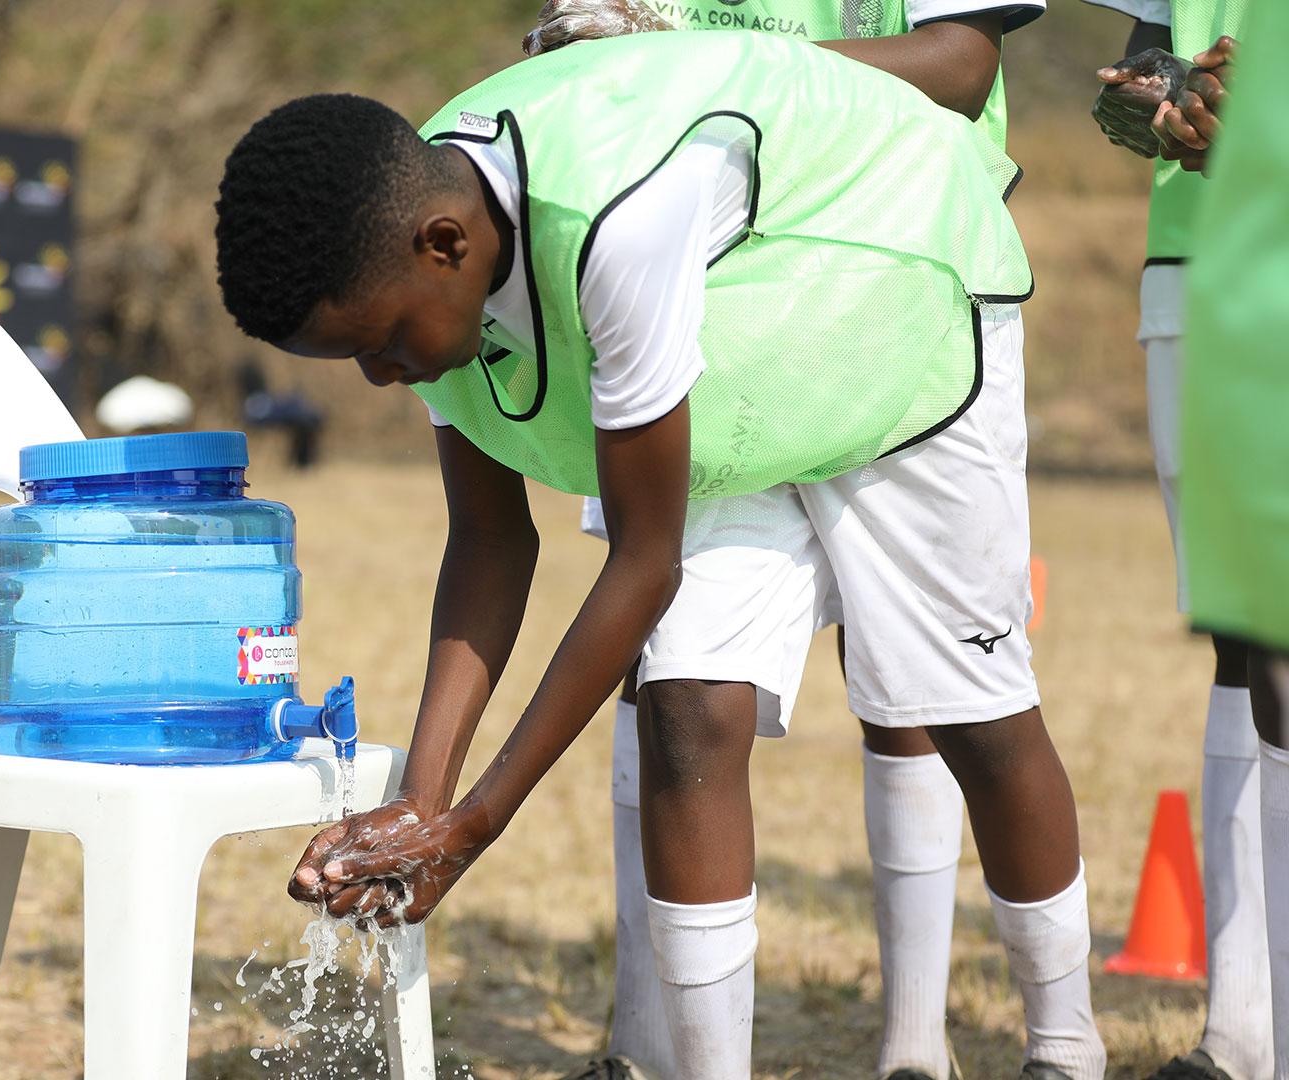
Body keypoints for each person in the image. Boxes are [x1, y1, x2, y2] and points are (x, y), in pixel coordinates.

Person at [216, 30, 1102, 1078]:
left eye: (380, 342)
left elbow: (646, 560)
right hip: (735, 338)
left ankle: (1065, 1046)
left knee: (967, 711)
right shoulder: (416, 235)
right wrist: (426, 795)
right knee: (688, 705)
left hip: (892, 284)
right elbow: (492, 540)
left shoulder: (612, 228)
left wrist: (480, 823)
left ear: (446, 245)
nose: (377, 375)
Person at [522, 1, 1040, 1074]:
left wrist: (705, 66)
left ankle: (917, 1044)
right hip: (712, 298)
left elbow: (956, 63)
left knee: (919, 691)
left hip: (906, 279)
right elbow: (592, 63)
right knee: (677, 680)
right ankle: (647, 1045)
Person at [1085, 2, 1265, 1078]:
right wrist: (1152, 91)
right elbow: (1152, 43)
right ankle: (1241, 1030)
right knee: (1244, 642)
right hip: (1194, 265)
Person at [1177, 0, 1289, 1070]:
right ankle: (1254, 1035)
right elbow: (1140, 74)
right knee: (1265, 653)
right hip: (1250, 288)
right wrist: (1178, 100)